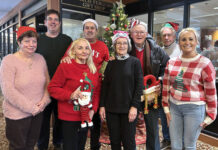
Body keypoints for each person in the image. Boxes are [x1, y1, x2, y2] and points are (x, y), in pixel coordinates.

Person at [162, 28, 217, 150]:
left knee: (189, 145)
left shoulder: (205, 63)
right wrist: (166, 108)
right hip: (174, 108)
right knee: (175, 145)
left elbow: (211, 92)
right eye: (183, 39)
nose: (187, 42)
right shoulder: (171, 62)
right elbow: (166, 86)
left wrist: (211, 115)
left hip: (195, 109)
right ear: (179, 43)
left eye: (191, 39)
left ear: (196, 42)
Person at [0, 26, 51, 150]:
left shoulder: (40, 59)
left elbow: (47, 83)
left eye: (34, 41)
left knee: (31, 144)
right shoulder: (9, 61)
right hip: (17, 114)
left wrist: (44, 101)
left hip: (38, 112)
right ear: (19, 42)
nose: (31, 44)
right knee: (18, 146)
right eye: (27, 41)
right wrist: (30, 108)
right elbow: (8, 90)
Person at [62, 18, 109, 150]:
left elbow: (107, 62)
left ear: (96, 30)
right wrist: (65, 58)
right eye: (86, 28)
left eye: (92, 28)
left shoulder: (102, 46)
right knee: (79, 118)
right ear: (83, 31)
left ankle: (95, 145)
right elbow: (66, 59)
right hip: (79, 88)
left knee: (94, 119)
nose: (89, 30)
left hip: (96, 88)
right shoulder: (75, 45)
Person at [47, 38, 100, 150]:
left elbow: (96, 92)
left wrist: (93, 110)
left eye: (86, 48)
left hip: (85, 115)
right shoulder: (65, 66)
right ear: (73, 51)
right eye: (80, 48)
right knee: (70, 146)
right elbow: (52, 88)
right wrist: (70, 95)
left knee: (81, 145)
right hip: (69, 115)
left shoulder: (93, 69)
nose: (84, 51)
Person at [129, 18, 169, 150]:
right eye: (136, 32)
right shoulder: (126, 49)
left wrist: (160, 82)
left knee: (152, 128)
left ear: (146, 34)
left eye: (141, 32)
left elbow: (166, 70)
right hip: (131, 94)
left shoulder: (157, 50)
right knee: (129, 128)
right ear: (131, 33)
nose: (139, 35)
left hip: (151, 95)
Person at [99, 31, 143, 150]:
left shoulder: (135, 62)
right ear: (114, 45)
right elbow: (105, 86)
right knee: (114, 141)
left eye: (124, 43)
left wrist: (135, 106)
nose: (121, 46)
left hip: (129, 109)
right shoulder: (110, 63)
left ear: (128, 45)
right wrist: (102, 105)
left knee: (129, 142)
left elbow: (139, 86)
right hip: (111, 109)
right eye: (118, 43)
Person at [36, 9, 72, 150]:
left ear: (59, 23)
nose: (53, 22)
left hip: (62, 87)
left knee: (60, 119)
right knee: (43, 120)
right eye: (50, 19)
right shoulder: (38, 40)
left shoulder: (67, 40)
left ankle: (58, 142)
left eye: (56, 19)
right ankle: (42, 145)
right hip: (42, 88)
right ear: (45, 22)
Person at [159, 22, 181, 148]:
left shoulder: (180, 50)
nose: (166, 38)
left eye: (169, 35)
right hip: (163, 89)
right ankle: (167, 139)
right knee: (163, 115)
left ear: (174, 36)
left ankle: (177, 141)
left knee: (176, 118)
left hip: (177, 89)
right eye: (164, 35)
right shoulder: (160, 50)